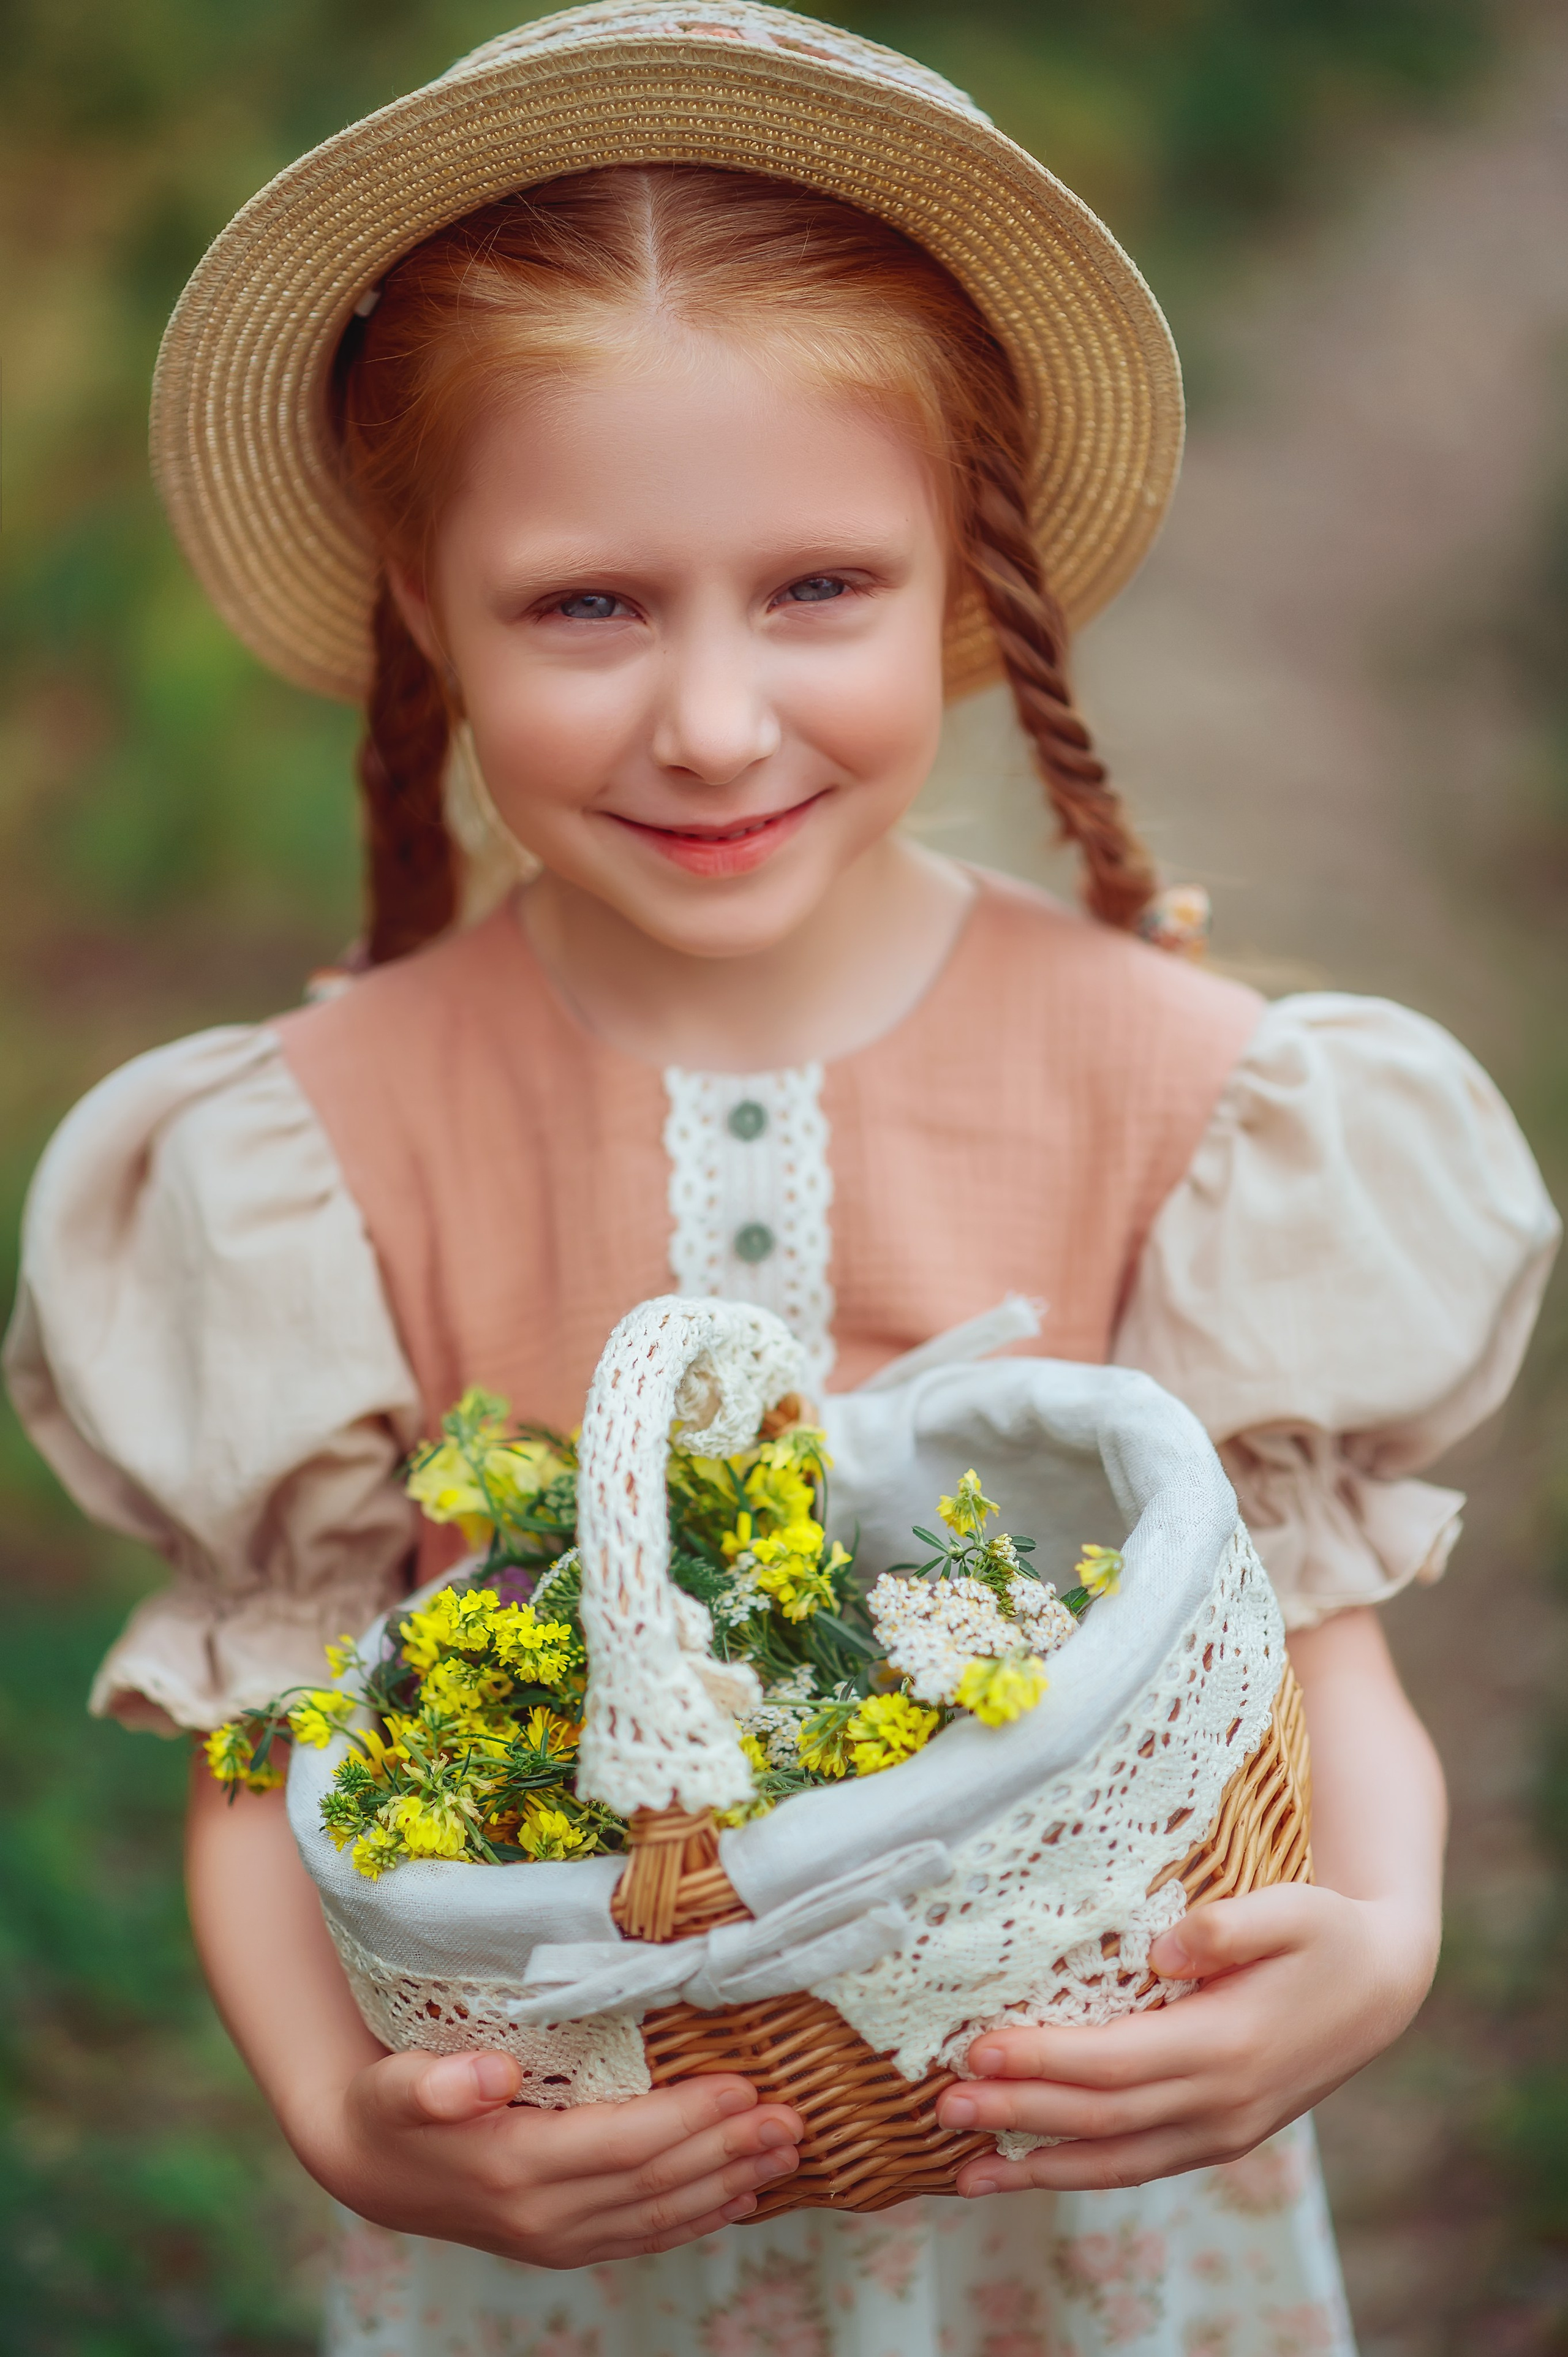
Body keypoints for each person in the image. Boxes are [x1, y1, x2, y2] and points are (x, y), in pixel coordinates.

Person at [5, 6, 1559, 2351]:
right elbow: (280, 1704)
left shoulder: (1195, 1091)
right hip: (584, 2187)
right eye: (589, 604)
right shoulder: (310, 1150)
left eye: (819, 586)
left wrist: (1376, 1942)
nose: (714, 719)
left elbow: (1299, 1616)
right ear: (420, 603)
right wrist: (341, 2106)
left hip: (1075, 2198)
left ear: (965, 578)